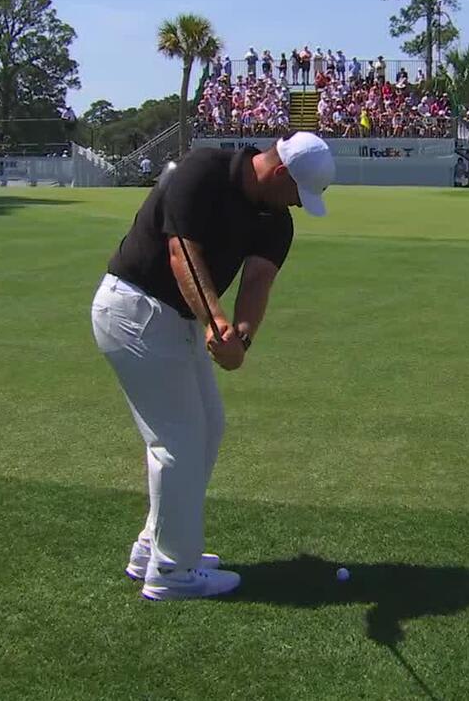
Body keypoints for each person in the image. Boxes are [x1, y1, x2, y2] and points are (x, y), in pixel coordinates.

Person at [92, 132, 335, 601]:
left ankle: (154, 549)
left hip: (175, 320)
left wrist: (240, 337)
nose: (298, 205)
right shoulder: (200, 170)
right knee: (178, 441)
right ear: (280, 172)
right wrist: (216, 320)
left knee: (207, 430)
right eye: (296, 193)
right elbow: (182, 251)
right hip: (133, 309)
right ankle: (172, 573)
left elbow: (258, 281)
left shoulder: (277, 221)